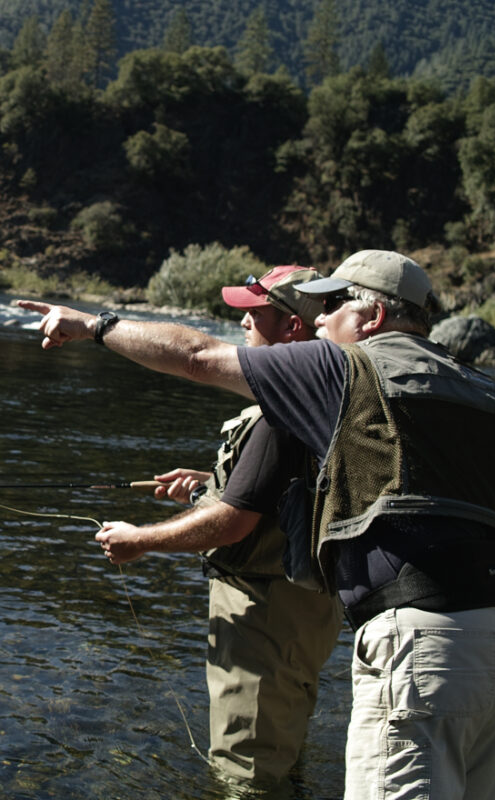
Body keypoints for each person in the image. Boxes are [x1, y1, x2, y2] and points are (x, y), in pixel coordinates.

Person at [17, 250, 495, 799]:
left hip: (418, 641)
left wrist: (94, 325)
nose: (320, 320)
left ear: (370, 318)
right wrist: (484, 604)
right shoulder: (487, 392)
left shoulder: (343, 367)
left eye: (332, 305)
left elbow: (199, 357)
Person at [144, 266, 344, 789]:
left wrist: (138, 541)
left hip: (263, 614)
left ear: (292, 330)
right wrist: (209, 483)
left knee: (247, 773)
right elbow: (289, 491)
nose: (244, 328)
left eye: (255, 316)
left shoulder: (282, 412)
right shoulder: (333, 397)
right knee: (283, 752)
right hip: (310, 608)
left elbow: (232, 526)